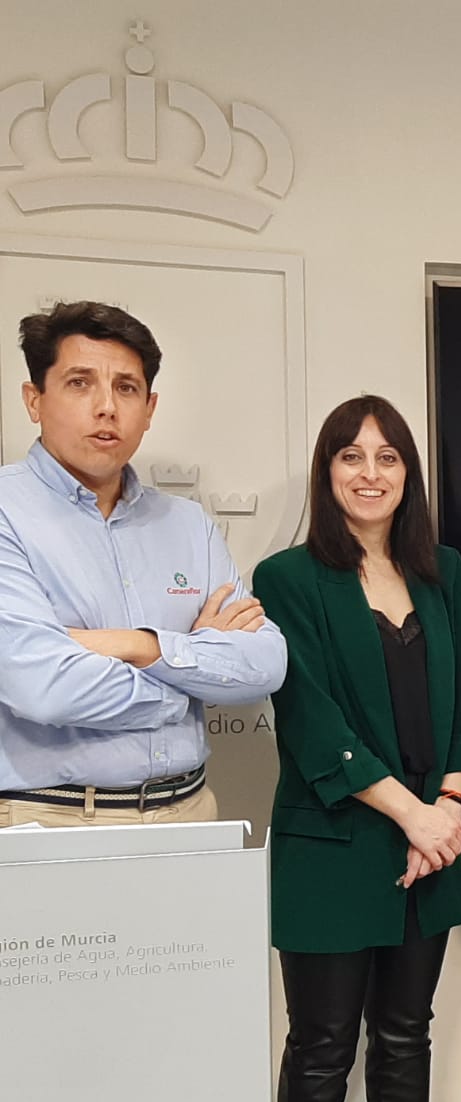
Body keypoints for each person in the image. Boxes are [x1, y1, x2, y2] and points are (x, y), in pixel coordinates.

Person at [253, 395, 461, 1102]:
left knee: (405, 1038)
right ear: (327, 471)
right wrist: (414, 815)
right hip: (335, 842)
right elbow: (310, 718)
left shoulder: (442, 569)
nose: (370, 472)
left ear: (408, 473)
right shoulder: (286, 578)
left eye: (387, 457)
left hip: (434, 841)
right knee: (321, 1050)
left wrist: (450, 804)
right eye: (351, 455)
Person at [0, 301, 285, 828]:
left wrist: (139, 645)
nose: (107, 407)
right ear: (33, 399)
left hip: (192, 810)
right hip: (52, 817)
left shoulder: (188, 524)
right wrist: (190, 674)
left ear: (149, 408)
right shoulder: (6, 512)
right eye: (80, 383)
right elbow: (44, 688)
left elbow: (265, 664)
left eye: (126, 388)